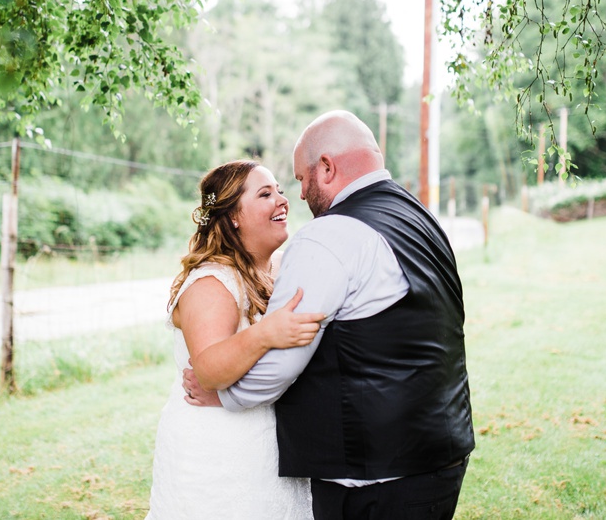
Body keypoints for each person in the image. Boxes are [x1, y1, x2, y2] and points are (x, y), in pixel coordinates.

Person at [185, 111, 475, 520]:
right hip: (440, 451)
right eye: (266, 193)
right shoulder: (419, 217)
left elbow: (281, 367)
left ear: (326, 167)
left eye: (299, 180)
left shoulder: (329, 236)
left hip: (375, 476)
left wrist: (225, 394)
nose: (298, 196)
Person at [145, 160, 324, 520]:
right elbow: (208, 371)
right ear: (234, 217)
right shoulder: (212, 283)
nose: (282, 200)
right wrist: (266, 333)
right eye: (265, 194)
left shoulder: (284, 268)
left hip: (271, 445)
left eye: (279, 191)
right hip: (219, 454)